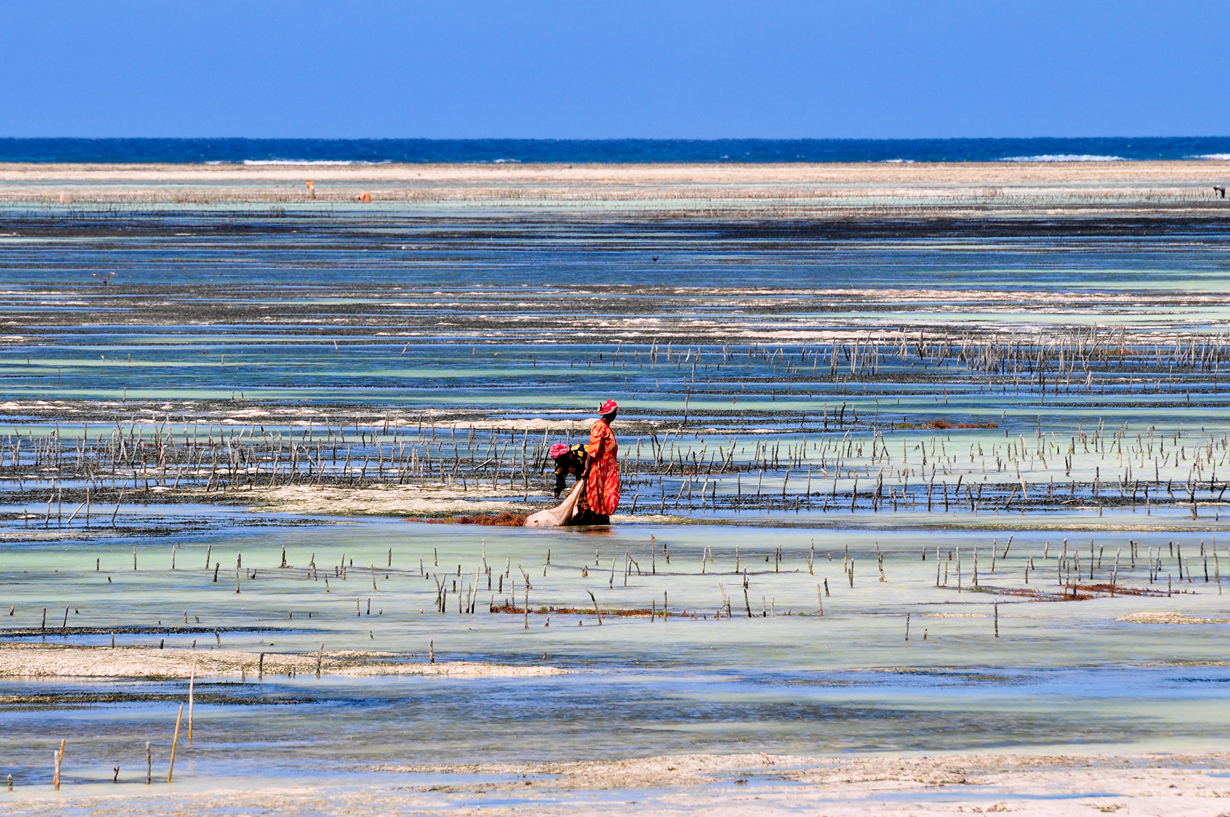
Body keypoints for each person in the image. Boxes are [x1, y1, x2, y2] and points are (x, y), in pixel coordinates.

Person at [580, 399, 620, 524]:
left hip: (608, 469)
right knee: (598, 499)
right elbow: (592, 450)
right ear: (611, 414)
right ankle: (598, 523)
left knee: (609, 496)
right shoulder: (599, 427)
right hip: (599, 469)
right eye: (615, 413)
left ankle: (603, 522)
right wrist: (587, 469)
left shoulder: (607, 428)